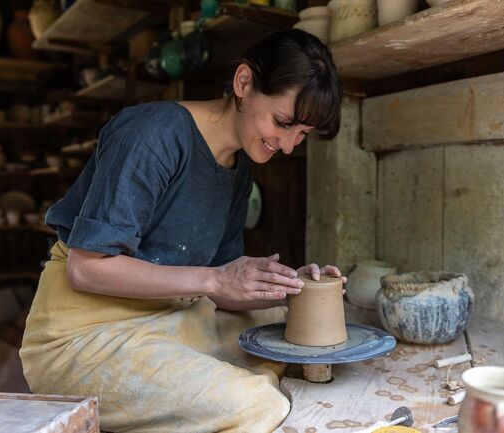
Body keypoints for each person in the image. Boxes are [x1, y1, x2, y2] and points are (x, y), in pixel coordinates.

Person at [20, 29, 343, 433]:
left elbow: (224, 292)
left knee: (290, 332)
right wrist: (213, 278)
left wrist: (291, 286)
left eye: (302, 134)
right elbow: (86, 269)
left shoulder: (238, 168)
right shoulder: (152, 134)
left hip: (171, 319)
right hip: (85, 336)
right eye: (283, 122)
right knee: (256, 404)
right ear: (243, 83)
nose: (290, 145)